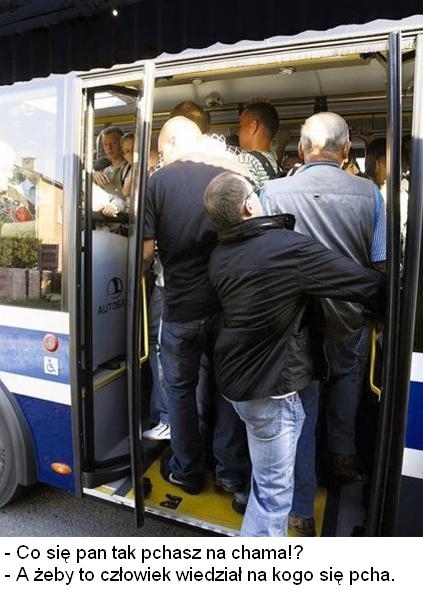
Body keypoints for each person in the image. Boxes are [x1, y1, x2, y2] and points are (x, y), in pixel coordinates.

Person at [203, 170, 385, 536]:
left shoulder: (220, 254)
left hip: (238, 383)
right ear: (249, 205)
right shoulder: (287, 249)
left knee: (264, 485)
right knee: (273, 498)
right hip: (271, 390)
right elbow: (364, 284)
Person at [261, 111, 386, 535]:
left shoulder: (272, 192)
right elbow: (382, 263)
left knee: (301, 414)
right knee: (348, 385)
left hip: (295, 326)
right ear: (347, 149)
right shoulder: (370, 194)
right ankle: (343, 460)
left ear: (300, 148)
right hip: (350, 319)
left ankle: (300, 511)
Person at [142, 116, 251, 499]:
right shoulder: (232, 175)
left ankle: (187, 470)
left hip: (181, 308)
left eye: (161, 151)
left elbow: (144, 254)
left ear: (171, 144)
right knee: (228, 389)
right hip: (228, 306)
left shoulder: (156, 183)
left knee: (180, 391)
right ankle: (231, 473)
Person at [237, 101, 283, 188]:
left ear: (253, 126)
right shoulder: (277, 165)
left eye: (241, 125)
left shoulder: (245, 160)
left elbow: (242, 195)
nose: (238, 132)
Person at [93, 126, 127, 217]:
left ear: (122, 143)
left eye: (114, 143)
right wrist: (93, 175)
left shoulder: (129, 169)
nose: (109, 148)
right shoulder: (105, 171)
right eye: (105, 144)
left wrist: (114, 206)